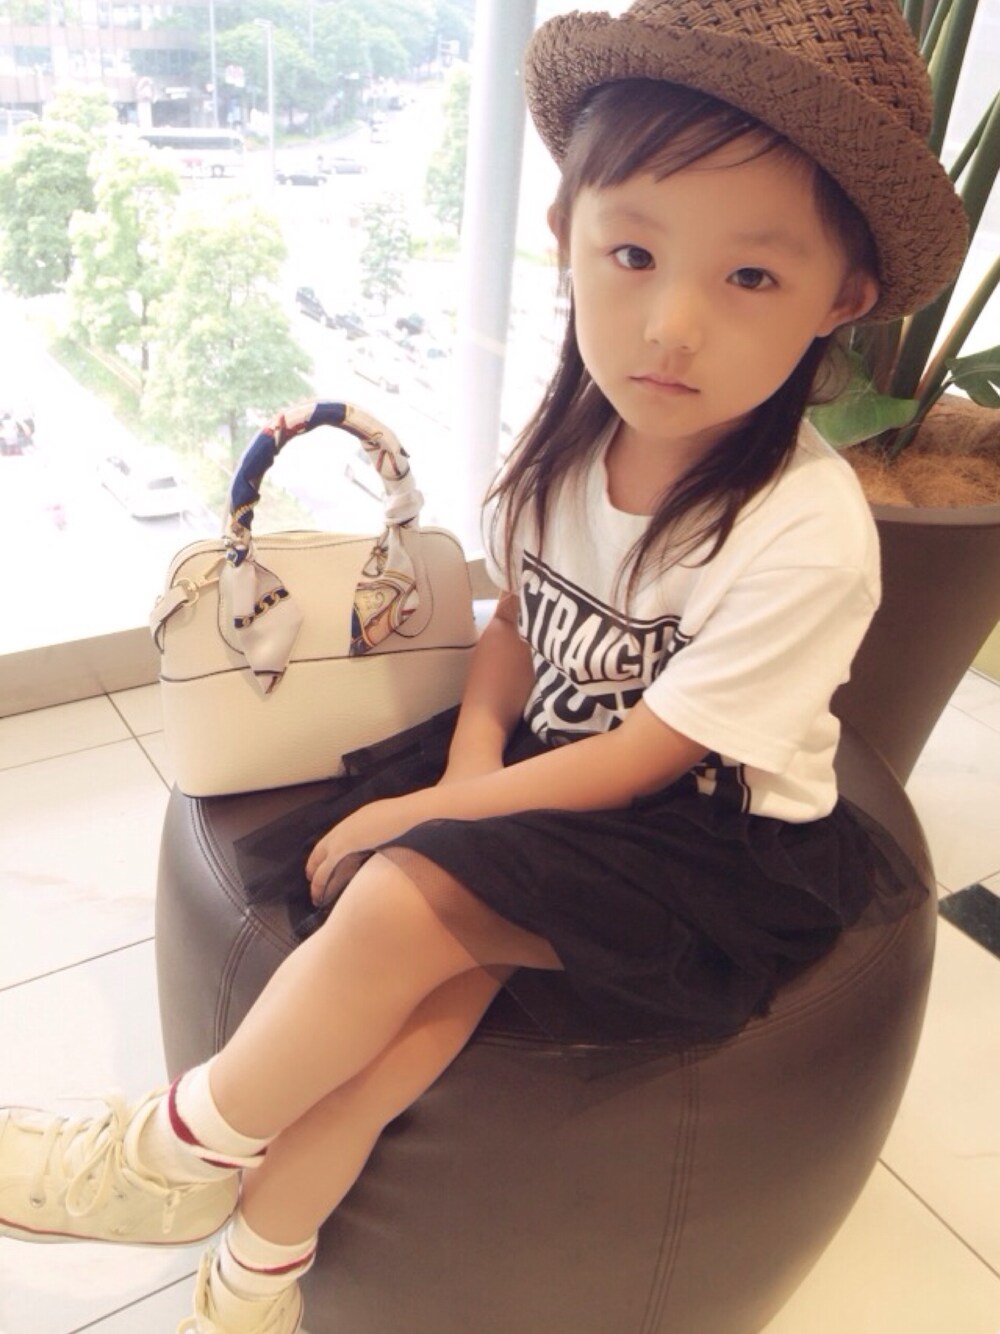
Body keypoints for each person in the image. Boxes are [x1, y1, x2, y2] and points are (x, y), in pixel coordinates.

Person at [0, 1, 967, 1331]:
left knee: (401, 897)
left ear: (841, 299)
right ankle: (255, 1276)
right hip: (557, 767)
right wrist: (466, 763)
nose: (671, 325)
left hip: (709, 835)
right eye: (634, 252)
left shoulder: (806, 531)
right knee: (409, 1022)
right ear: (568, 232)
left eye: (751, 277)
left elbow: (654, 753)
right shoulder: (572, 440)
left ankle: (170, 1154)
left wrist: (440, 816)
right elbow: (517, 622)